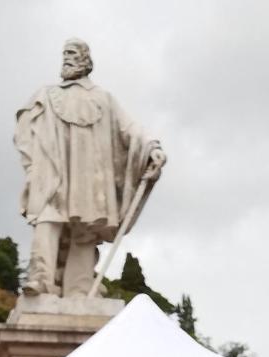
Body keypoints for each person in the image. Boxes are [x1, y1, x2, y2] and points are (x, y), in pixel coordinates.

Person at [14, 39, 166, 298]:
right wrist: (33, 168)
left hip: (89, 175)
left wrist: (152, 148)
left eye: (72, 53)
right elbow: (25, 132)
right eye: (64, 54)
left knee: (85, 228)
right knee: (48, 219)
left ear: (85, 59)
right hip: (55, 170)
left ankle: (79, 287)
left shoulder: (103, 99)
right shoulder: (46, 95)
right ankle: (41, 279)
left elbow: (129, 129)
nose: (67, 58)